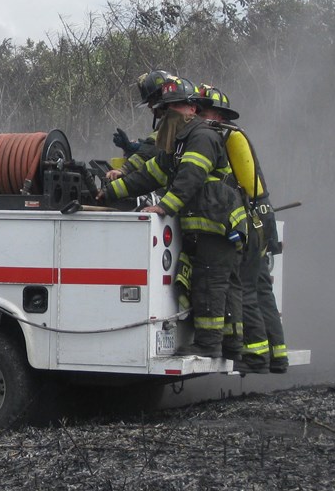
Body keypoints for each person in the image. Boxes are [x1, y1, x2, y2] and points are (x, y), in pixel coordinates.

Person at [100, 77, 247, 357]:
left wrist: (164, 207)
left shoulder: (202, 137)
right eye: (165, 109)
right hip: (208, 225)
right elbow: (149, 174)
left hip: (218, 225)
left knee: (211, 284)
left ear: (192, 108)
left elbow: (190, 178)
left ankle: (209, 345)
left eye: (175, 107)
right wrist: (108, 193)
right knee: (218, 284)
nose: (168, 114)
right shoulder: (178, 144)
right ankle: (230, 345)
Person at [194, 85, 289, 374]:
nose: (197, 115)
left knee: (246, 287)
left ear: (217, 114)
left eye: (202, 110)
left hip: (249, 219)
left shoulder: (223, 138)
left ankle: (257, 357)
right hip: (262, 217)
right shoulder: (236, 137)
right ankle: (277, 356)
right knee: (261, 289)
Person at [104, 69, 172, 184]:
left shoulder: (173, 120)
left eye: (150, 101)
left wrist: (124, 170)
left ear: (160, 98)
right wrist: (133, 147)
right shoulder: (168, 119)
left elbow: (153, 148)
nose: (150, 106)